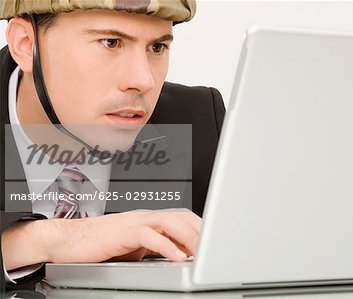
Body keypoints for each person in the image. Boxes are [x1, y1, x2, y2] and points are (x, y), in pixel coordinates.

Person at [0, 0, 225, 291]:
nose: (142, 80)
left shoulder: (198, 120)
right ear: (25, 44)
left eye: (157, 48)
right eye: (111, 42)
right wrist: (54, 239)